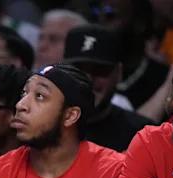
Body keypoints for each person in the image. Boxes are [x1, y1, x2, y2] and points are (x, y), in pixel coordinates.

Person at [63, 24, 154, 152]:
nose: (88, 79)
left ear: (119, 73)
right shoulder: (41, 123)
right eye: (78, 69)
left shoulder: (142, 136)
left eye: (100, 69)